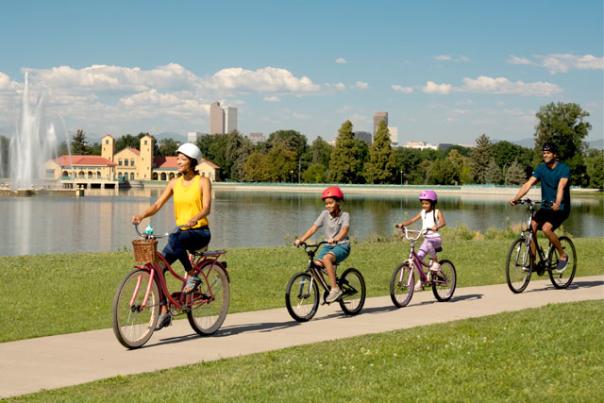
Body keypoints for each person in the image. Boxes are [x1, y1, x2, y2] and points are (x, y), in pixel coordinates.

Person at [131, 143, 212, 330]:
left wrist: (195, 218)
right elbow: (158, 204)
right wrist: (142, 215)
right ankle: (165, 312)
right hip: (180, 234)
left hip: (199, 232)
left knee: (175, 237)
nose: (178, 162)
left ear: (192, 162)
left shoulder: (203, 181)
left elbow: (207, 207)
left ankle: (192, 275)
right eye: (178, 158)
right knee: (158, 268)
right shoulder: (174, 183)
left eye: (182, 159)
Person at [510, 142, 570, 272]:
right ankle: (533, 262)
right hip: (546, 207)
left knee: (547, 228)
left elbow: (561, 187)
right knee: (532, 227)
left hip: (560, 208)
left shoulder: (564, 169)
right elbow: (528, 184)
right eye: (544, 153)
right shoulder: (541, 169)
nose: (545, 155)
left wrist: (558, 203)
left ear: (554, 154)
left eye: (548, 153)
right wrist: (516, 198)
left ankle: (563, 255)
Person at [294, 186, 350, 303]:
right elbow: (313, 228)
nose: (328, 205)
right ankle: (326, 288)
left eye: (331, 203)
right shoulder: (324, 214)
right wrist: (301, 239)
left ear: (338, 202)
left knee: (326, 258)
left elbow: (344, 230)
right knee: (314, 265)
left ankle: (335, 289)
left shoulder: (345, 215)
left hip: (342, 246)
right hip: (328, 246)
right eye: (326, 203)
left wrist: (336, 239)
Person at [395, 190, 446, 290]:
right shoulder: (422, 212)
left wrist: (437, 226)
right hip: (426, 239)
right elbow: (412, 220)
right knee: (418, 259)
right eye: (422, 203)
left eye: (426, 203)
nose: (424, 205)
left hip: (435, 238)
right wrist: (403, 224)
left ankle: (436, 263)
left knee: (428, 243)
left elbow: (443, 222)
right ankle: (422, 280)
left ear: (432, 203)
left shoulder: (437, 212)